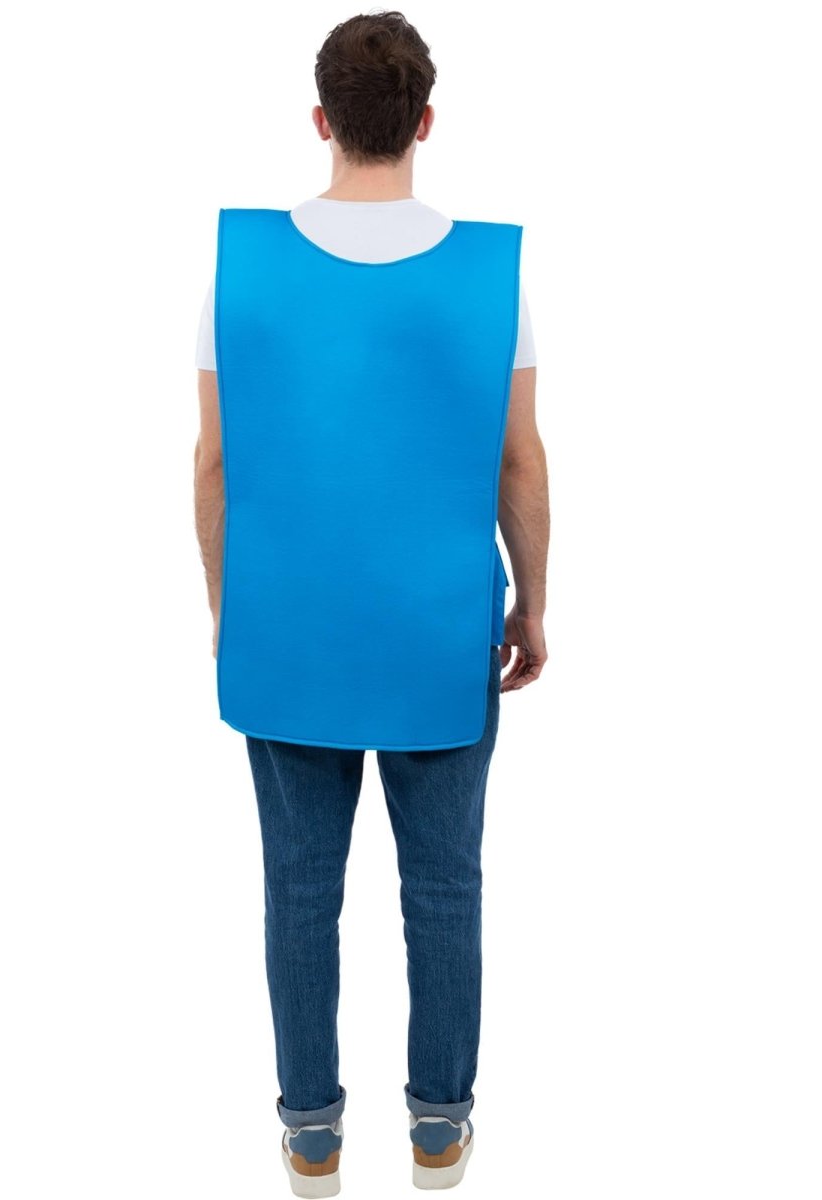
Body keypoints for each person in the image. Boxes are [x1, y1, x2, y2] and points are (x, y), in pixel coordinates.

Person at [193, 12, 549, 1195]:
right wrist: (532, 606)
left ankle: (311, 1135)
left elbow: (215, 465)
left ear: (322, 119)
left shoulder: (239, 265)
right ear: (425, 121)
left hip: (288, 625)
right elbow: (517, 465)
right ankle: (439, 1129)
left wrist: (227, 609)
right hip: (438, 629)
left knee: (299, 893)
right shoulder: (494, 273)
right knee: (444, 889)